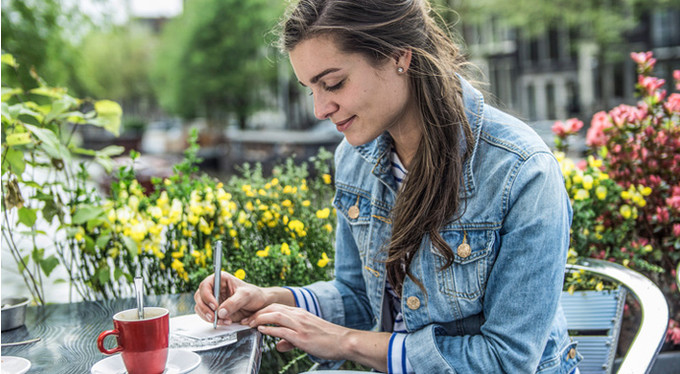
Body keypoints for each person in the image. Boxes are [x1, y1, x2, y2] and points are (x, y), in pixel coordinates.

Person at [194, 0, 581, 372]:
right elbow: (362, 299)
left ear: (400, 56)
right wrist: (276, 299)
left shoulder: (521, 171)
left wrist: (345, 342)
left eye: (333, 83)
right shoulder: (354, 157)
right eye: (311, 89)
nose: (320, 109)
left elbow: (506, 361)